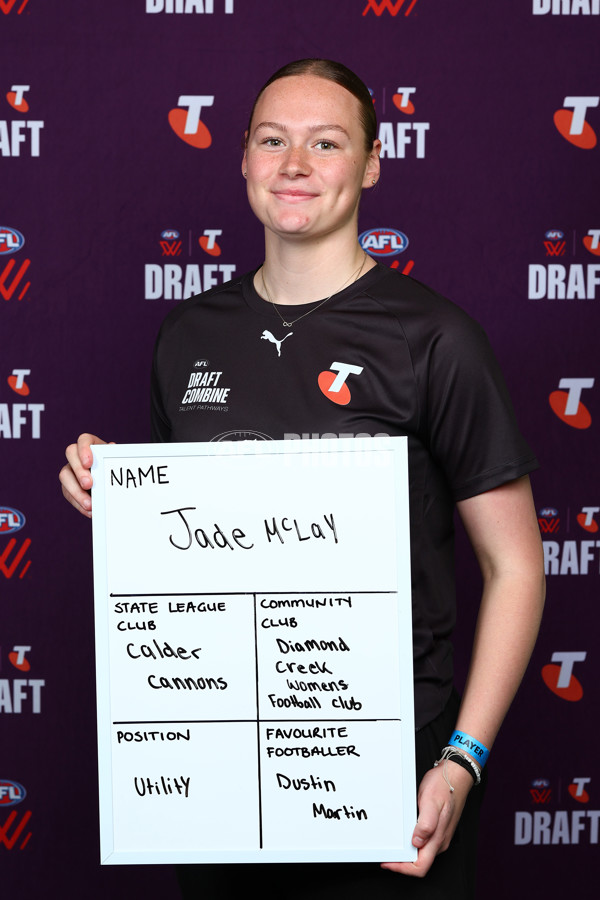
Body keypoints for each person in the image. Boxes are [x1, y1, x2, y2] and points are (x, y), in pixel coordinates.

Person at [60, 59, 545, 898]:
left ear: (370, 164)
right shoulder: (186, 335)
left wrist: (461, 761)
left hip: (392, 781)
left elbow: (517, 566)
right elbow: (192, 554)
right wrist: (119, 502)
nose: (295, 166)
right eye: (273, 141)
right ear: (243, 157)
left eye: (326, 144)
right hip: (218, 775)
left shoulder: (434, 341)